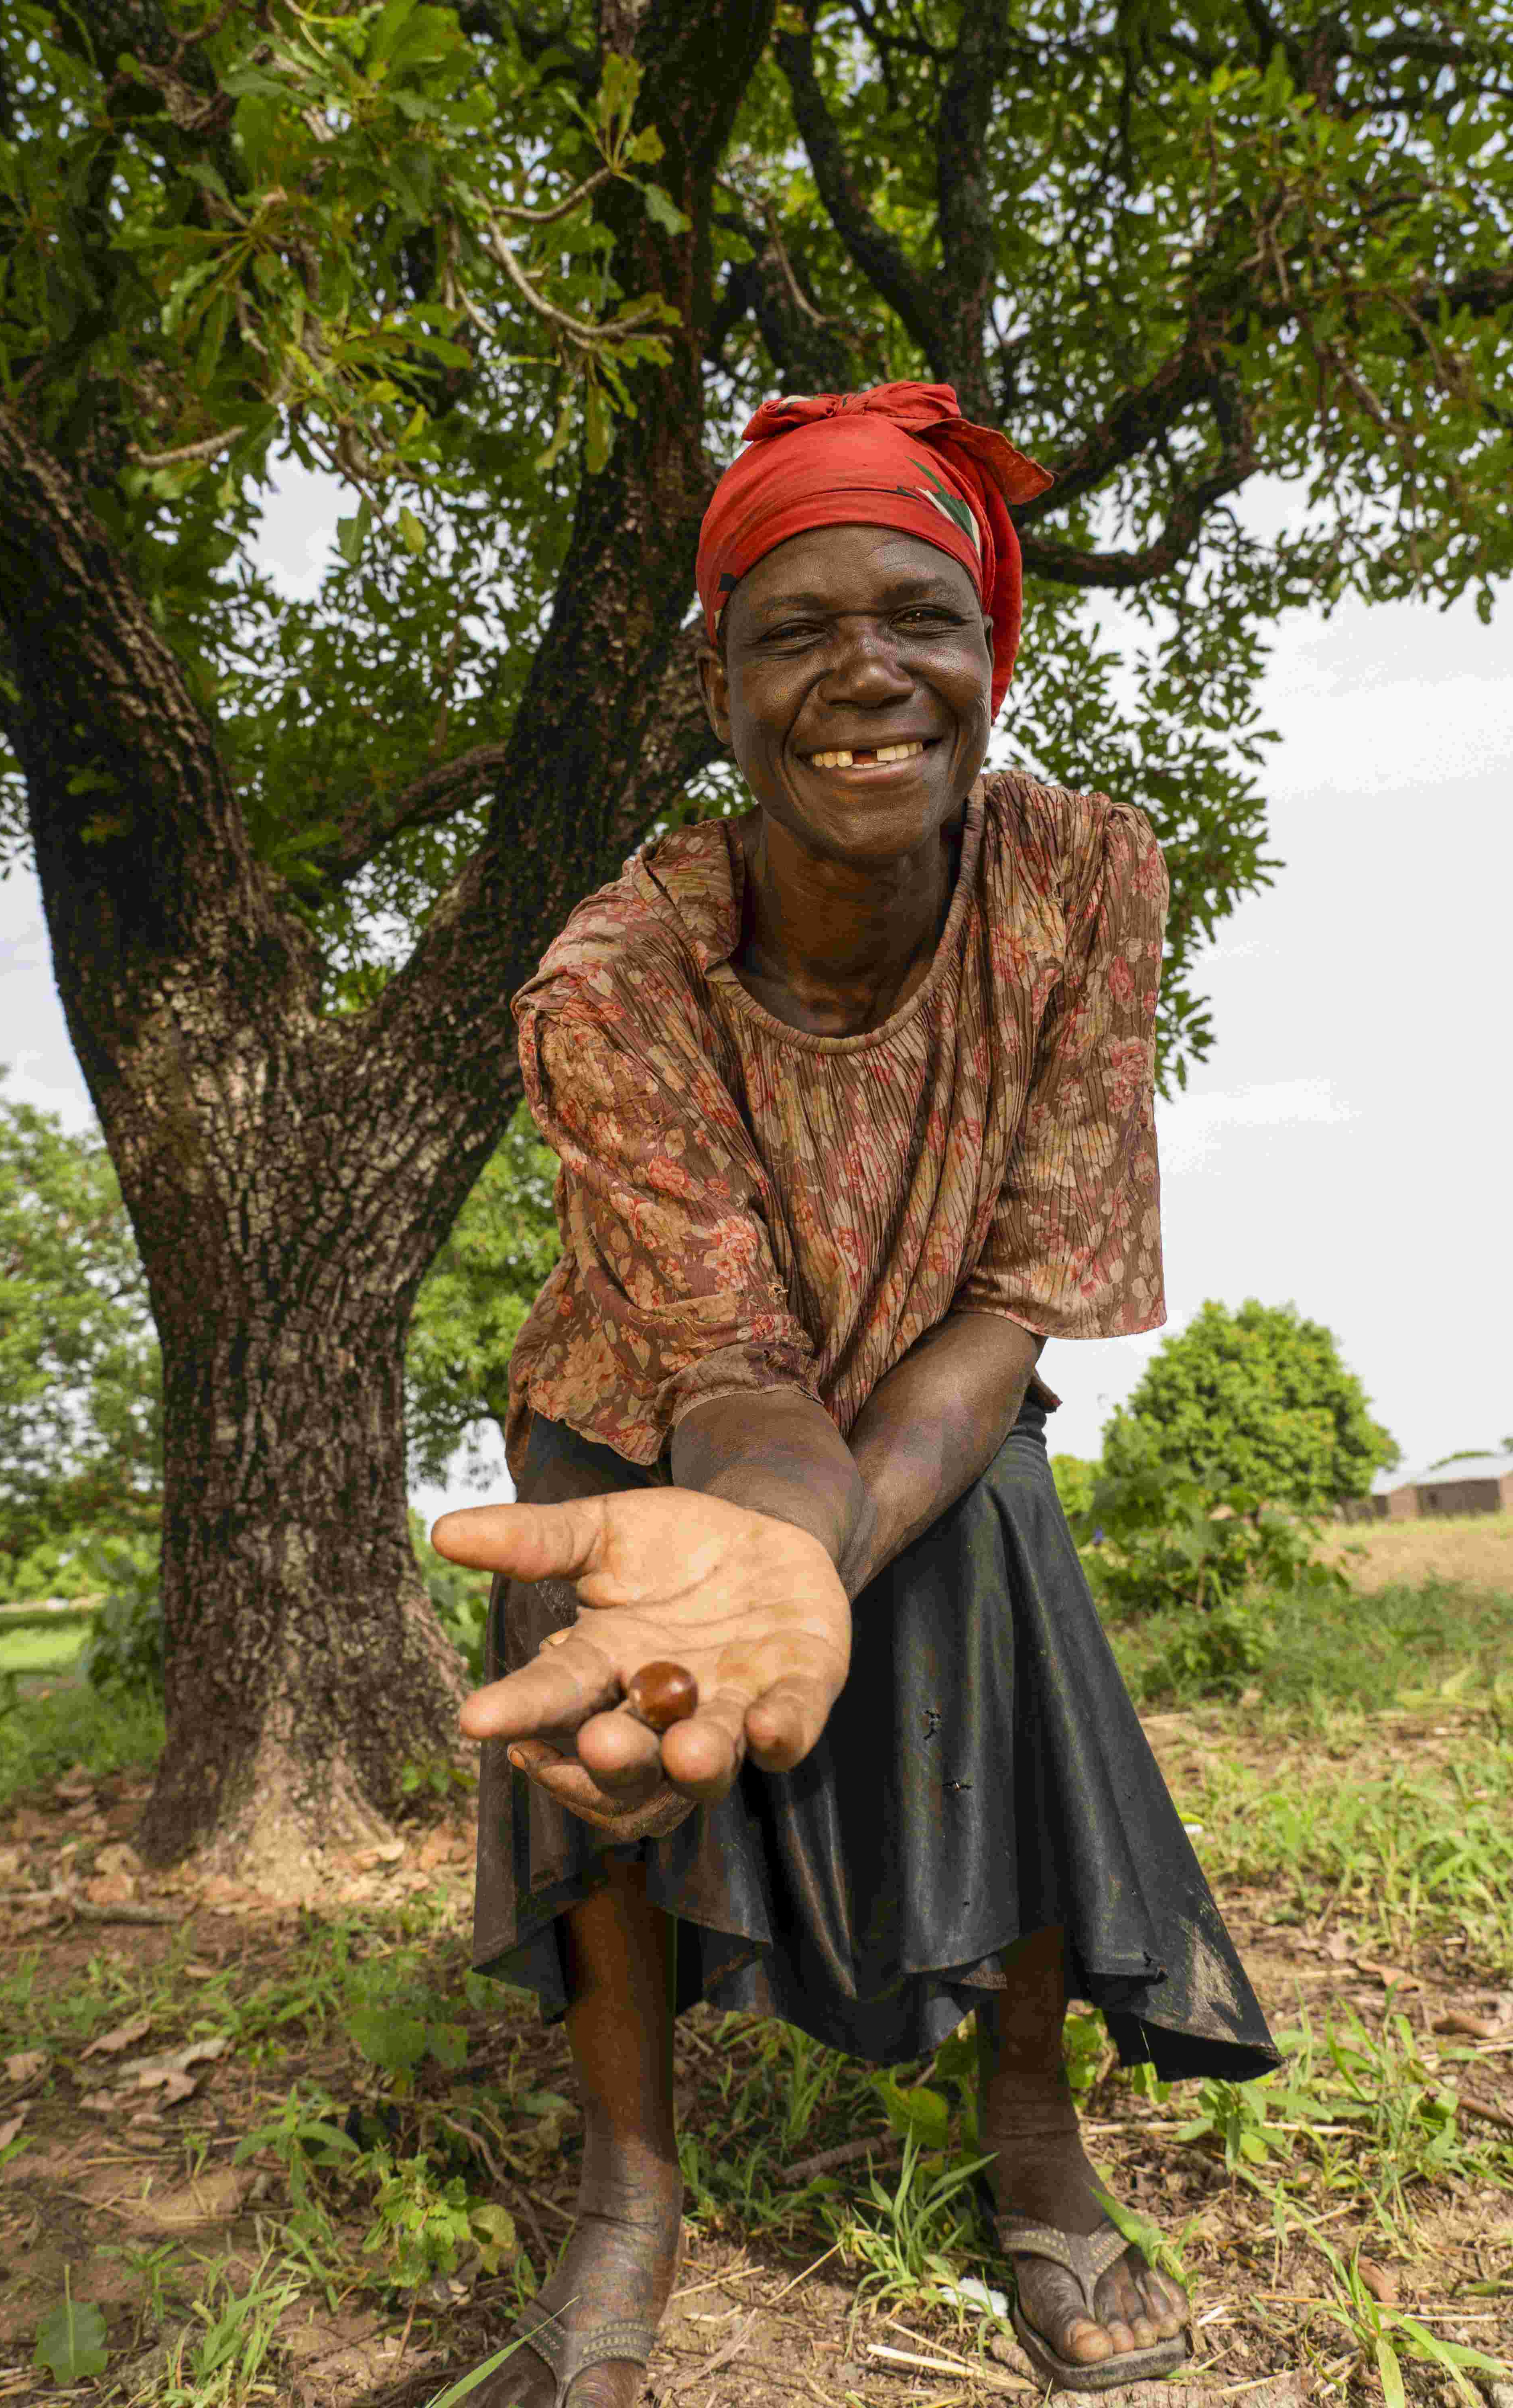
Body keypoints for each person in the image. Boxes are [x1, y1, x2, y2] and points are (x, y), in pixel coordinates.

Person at [431, 381, 1278, 2406]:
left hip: (938, 1365)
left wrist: (811, 1567)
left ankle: (1030, 2133)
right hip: (656, 1410)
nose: (863, 672)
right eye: (793, 631)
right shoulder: (614, 973)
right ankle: (630, 2189)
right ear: (716, 686)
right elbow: (724, 1368)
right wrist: (744, 1564)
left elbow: (1014, 1303)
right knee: (617, 1684)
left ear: (991, 652)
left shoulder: (1083, 878)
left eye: (916, 615)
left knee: (1000, 1574)